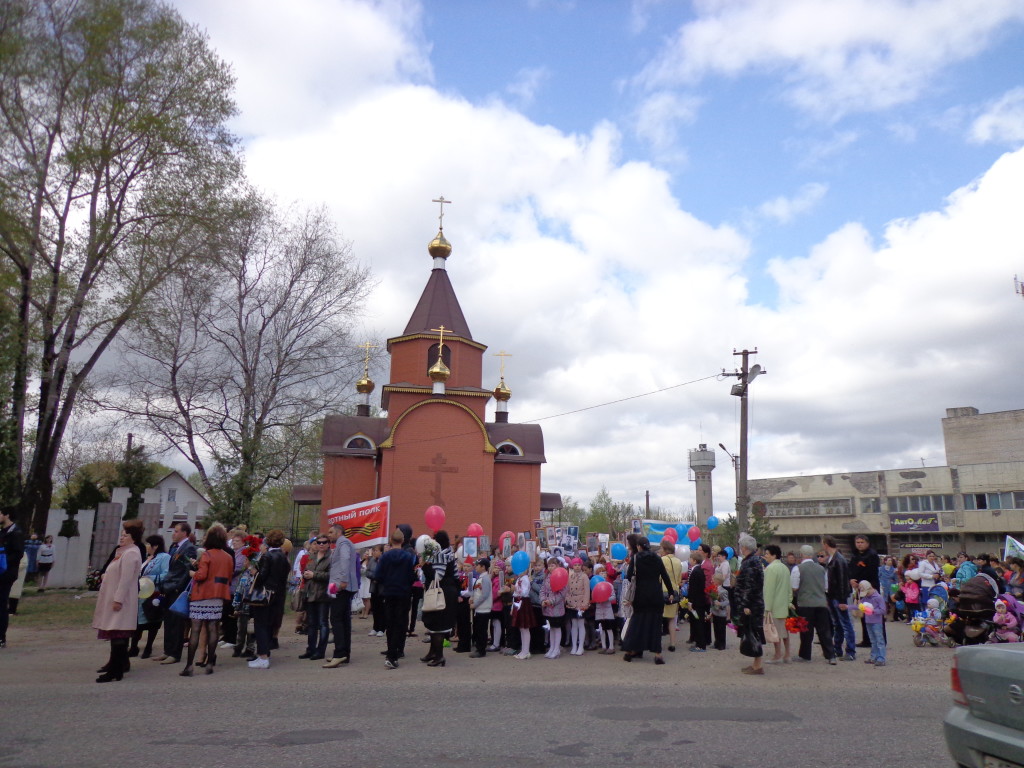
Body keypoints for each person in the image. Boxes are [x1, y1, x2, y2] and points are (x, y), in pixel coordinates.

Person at [181, 524, 234, 676]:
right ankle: (210, 663)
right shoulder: (228, 557)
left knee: (196, 629)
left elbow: (201, 575)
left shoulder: (207, 554)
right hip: (218, 595)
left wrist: (192, 573)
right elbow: (228, 577)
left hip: (202, 595)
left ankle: (189, 666)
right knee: (213, 629)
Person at [92, 523, 142, 682]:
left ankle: (115, 670)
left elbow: (126, 579)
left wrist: (118, 599)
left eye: (125, 535)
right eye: (121, 535)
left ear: (133, 538)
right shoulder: (123, 552)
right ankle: (116, 668)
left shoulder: (131, 553)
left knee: (118, 635)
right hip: (115, 598)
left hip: (121, 601)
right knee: (115, 635)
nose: (122, 537)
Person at [622, 534, 675, 665]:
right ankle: (658, 655)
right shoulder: (657, 558)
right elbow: (665, 576)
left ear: (639, 547)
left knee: (637, 623)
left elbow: (629, 577)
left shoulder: (635, 559)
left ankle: (630, 651)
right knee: (656, 624)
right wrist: (671, 592)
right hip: (656, 595)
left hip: (640, 595)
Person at [153, 522, 196, 665]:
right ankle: (167, 650)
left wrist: (178, 587)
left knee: (177, 622)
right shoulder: (173, 547)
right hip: (168, 587)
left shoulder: (189, 548)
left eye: (177, 531)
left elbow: (186, 570)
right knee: (168, 621)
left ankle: (175, 653)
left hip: (178, 589)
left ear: (185, 533)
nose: (174, 533)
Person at [247, 530, 290, 669]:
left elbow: (262, 577)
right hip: (279, 594)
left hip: (265, 595)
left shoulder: (268, 556)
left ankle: (263, 656)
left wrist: (254, 572)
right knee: (270, 624)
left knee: (261, 625)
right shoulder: (284, 557)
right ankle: (265, 653)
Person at [376, 529, 416, 669]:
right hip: (403, 592)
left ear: (391, 541)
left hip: (389, 592)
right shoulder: (407, 557)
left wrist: (386, 582)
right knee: (401, 622)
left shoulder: (385, 557)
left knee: (390, 623)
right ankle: (396, 651)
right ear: (403, 541)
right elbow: (412, 576)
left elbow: (378, 575)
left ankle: (391, 652)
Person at [791, 545, 836, 664]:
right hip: (821, 602)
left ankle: (805, 655)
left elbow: (794, 587)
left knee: (806, 630)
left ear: (801, 555)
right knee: (824, 631)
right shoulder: (821, 569)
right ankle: (831, 655)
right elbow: (825, 587)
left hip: (805, 603)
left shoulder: (797, 568)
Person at [323, 522, 360, 668]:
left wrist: (343, 580)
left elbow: (345, 560)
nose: (329, 535)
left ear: (338, 533)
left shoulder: (343, 543)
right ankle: (344, 653)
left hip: (341, 585)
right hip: (339, 584)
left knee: (336, 618)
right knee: (343, 619)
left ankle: (339, 653)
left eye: (331, 532)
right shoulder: (342, 544)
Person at [420, 530, 458, 667]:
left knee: (437, 625)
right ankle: (433, 652)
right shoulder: (449, 553)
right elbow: (456, 575)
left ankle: (439, 656)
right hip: (448, 591)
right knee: (435, 624)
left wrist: (425, 566)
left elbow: (438, 577)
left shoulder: (442, 555)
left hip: (442, 592)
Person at [130, 535, 170, 659]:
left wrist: (150, 578)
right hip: (142, 593)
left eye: (148, 544)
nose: (146, 546)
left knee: (153, 620)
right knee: (138, 622)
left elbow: (166, 574)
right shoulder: (149, 558)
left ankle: (148, 647)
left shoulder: (164, 557)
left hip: (154, 593)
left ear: (155, 546)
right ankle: (133, 646)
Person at [734, 534, 766, 675]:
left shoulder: (750, 562)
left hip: (752, 605)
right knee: (752, 632)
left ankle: (758, 666)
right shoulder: (753, 560)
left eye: (741, 546)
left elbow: (749, 585)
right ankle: (755, 664)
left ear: (745, 547)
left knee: (754, 634)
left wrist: (745, 604)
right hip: (754, 603)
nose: (740, 548)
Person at [822, 535, 856, 661]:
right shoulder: (832, 559)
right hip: (832, 594)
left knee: (845, 623)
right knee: (838, 623)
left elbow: (842, 580)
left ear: (826, 544)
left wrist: (842, 600)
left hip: (838, 596)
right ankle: (837, 649)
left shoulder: (838, 559)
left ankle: (850, 651)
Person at [299, 535, 332, 660]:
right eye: (319, 542)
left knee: (323, 623)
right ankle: (310, 649)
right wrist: (306, 574)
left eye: (324, 542)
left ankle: (320, 650)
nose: (321, 544)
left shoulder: (331, 558)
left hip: (323, 594)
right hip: (310, 593)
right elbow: (306, 570)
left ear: (329, 544)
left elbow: (331, 575)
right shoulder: (311, 557)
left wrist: (314, 575)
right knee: (311, 623)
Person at [848, 535, 881, 648]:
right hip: (859, 589)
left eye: (862, 542)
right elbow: (851, 569)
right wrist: (851, 579)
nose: (859, 544)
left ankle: (878, 640)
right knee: (863, 614)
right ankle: (866, 639)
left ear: (867, 543)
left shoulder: (871, 555)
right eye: (857, 542)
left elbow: (871, 572)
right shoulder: (855, 555)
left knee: (872, 614)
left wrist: (861, 581)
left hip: (870, 588)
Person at [762, 544, 791, 664]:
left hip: (774, 605)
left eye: (767, 554)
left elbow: (768, 590)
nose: (765, 556)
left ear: (774, 555)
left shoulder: (770, 569)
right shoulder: (785, 568)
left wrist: (766, 608)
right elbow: (789, 587)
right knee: (784, 632)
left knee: (775, 632)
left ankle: (778, 655)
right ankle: (787, 654)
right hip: (783, 605)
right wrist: (789, 602)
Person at [0, 508, 25, 648]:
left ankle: (1, 637)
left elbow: (18, 554)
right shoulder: (3, 532)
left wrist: (3, 562)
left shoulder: (16, 533)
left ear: (7, 515)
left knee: (1, 605)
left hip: (6, 574)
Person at [659, 539, 682, 652]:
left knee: (659, 618)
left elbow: (659, 577)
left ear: (665, 549)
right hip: (674, 591)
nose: (660, 550)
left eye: (661, 548)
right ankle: (672, 643)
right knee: (672, 619)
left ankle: (657, 643)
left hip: (662, 590)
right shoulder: (678, 561)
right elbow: (679, 579)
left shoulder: (662, 560)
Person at [857, 580, 887, 666]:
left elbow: (883, 610)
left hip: (876, 622)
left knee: (879, 640)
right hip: (868, 621)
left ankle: (881, 658)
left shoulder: (878, 597)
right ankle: (874, 657)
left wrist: (873, 611)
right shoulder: (865, 598)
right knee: (873, 640)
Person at [566, 557, 590, 656]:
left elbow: (587, 591)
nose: (577, 567)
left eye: (578, 565)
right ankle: (574, 645)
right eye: (575, 565)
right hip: (572, 603)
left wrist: (584, 604)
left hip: (581, 603)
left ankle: (581, 646)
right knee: (573, 625)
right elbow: (567, 589)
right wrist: (568, 599)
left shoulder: (584, 576)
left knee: (581, 624)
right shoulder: (570, 576)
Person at [470, 557, 494, 658]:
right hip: (479, 608)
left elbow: (485, 594)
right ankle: (479, 647)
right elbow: (477, 592)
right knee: (478, 629)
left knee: (482, 630)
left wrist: (475, 604)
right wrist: (472, 598)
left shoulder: (485, 578)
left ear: (483, 567)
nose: (476, 567)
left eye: (478, 565)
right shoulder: (481, 577)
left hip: (483, 608)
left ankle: (481, 650)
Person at [687, 551, 710, 653]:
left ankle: (701, 645)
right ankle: (699, 643)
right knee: (697, 622)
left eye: (690, 559)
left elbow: (694, 589)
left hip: (697, 602)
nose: (689, 560)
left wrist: (690, 601)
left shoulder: (696, 571)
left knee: (698, 622)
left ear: (694, 560)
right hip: (699, 600)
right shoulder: (698, 570)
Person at [710, 573, 730, 650]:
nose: (712, 580)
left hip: (721, 613)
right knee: (716, 628)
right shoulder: (713, 589)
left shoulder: (723, 591)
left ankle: (722, 644)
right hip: (715, 612)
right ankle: (717, 642)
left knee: (721, 629)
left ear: (717, 581)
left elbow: (727, 602)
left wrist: (720, 603)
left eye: (713, 579)